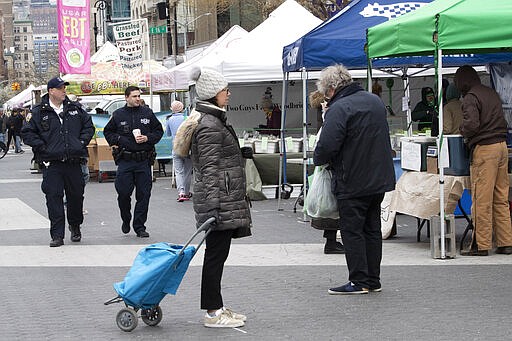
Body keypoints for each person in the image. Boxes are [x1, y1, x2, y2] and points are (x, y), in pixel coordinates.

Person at [173, 67, 252, 328]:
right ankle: (212, 312)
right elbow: (207, 171)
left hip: (223, 199)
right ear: (211, 94)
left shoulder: (214, 120)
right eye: (224, 90)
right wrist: (213, 209)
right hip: (218, 202)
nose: (228, 93)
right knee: (215, 257)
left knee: (218, 256)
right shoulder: (209, 125)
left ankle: (216, 306)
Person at [313, 64, 395, 294]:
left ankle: (359, 280)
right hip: (378, 178)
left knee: (352, 231)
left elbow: (326, 146)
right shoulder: (374, 101)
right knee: (372, 228)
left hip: (353, 178)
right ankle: (372, 280)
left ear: (330, 89)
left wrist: (319, 159)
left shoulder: (340, 108)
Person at [21, 76, 94, 247]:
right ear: (51, 91)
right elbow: (27, 133)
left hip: (73, 161)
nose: (64, 91)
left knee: (76, 197)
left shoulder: (75, 109)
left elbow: (88, 127)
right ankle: (57, 235)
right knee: (53, 198)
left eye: (64, 88)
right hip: (51, 163)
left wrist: (80, 143)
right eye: (60, 88)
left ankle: (75, 226)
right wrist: (42, 147)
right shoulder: (39, 111)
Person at [454, 65, 512, 256]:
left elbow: (472, 124)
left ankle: (481, 244)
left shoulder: (471, 97)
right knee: (501, 198)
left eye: (457, 81)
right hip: (502, 146)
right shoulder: (491, 92)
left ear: (464, 81)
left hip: (485, 149)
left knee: (482, 198)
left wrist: (462, 131)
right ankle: (506, 242)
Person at [103, 86, 163, 238]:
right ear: (126, 98)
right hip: (126, 160)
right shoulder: (118, 114)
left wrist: (148, 138)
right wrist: (119, 140)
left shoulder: (147, 113)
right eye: (134, 96)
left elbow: (158, 131)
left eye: (139, 96)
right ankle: (126, 218)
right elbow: (108, 132)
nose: (137, 99)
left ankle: (139, 226)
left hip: (143, 160)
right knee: (123, 194)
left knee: (144, 195)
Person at [309, 90, 344, 254]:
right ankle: (331, 242)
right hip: (331, 168)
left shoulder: (326, 112)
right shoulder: (329, 112)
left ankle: (331, 241)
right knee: (333, 205)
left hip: (326, 167)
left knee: (330, 205)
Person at [166, 100, 193, 202]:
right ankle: (186, 192)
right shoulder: (186, 119)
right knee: (187, 172)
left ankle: (180, 192)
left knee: (178, 172)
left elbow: (168, 134)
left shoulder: (169, 120)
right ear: (182, 108)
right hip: (187, 148)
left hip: (175, 148)